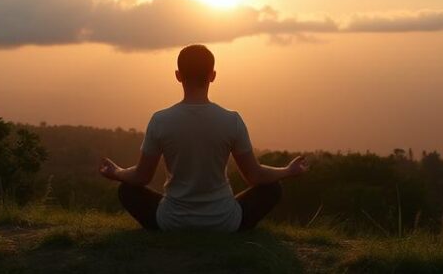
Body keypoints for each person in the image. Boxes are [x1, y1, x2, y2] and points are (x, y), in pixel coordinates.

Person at [99, 44, 309, 231]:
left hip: (172, 222)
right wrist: (288, 171)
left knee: (127, 190)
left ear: (178, 75)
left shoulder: (161, 120)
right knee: (272, 188)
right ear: (213, 75)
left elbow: (141, 177)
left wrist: (116, 172)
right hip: (225, 222)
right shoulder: (231, 120)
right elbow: (254, 176)